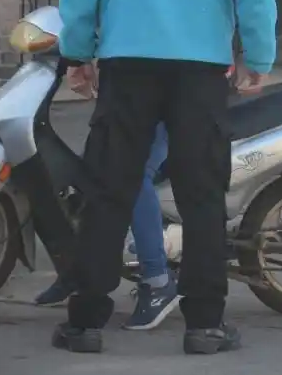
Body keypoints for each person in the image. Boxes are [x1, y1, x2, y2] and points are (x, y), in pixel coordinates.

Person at [52, 0, 277, 355]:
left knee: (110, 187)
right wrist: (259, 54)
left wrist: (78, 54)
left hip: (127, 63)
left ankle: (84, 322)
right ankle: (204, 324)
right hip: (201, 67)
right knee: (202, 194)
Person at [33, 123, 179, 332]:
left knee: (134, 175)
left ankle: (157, 281)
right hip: (122, 108)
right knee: (87, 172)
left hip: (159, 109)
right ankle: (77, 270)